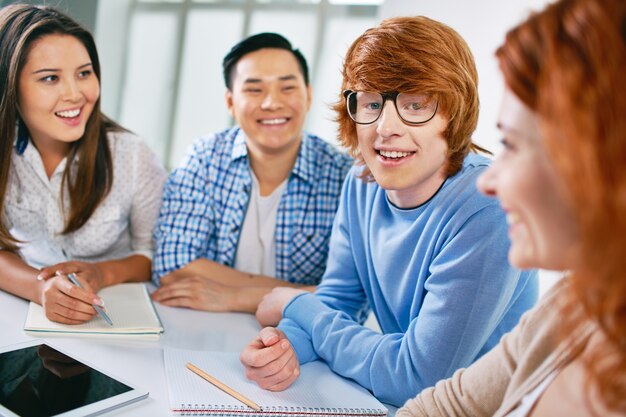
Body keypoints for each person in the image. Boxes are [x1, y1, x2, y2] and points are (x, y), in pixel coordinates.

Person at [239, 16, 538, 407]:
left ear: (454, 113)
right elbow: (339, 300)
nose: (386, 127)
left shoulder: (488, 204)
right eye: (371, 103)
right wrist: (288, 344)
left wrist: (296, 304)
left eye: (416, 104)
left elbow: (416, 377)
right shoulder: (362, 182)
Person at [397, 0, 626, 416]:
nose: (488, 179)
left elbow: (421, 374)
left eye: (513, 146)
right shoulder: (577, 304)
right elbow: (449, 404)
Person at [151, 33, 352, 314]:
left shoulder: (344, 178)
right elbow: (173, 266)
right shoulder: (204, 159)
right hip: (200, 328)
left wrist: (237, 297)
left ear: (308, 96)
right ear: (230, 102)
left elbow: (348, 297)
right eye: (255, 90)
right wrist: (304, 296)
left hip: (297, 341)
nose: (272, 103)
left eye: (287, 88)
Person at [0, 4, 166, 324]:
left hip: (115, 311)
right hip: (25, 315)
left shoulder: (131, 155)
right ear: (9, 85)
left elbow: (152, 255)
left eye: (84, 73)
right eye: (50, 78)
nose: (75, 94)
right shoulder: (6, 152)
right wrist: (40, 287)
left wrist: (102, 272)